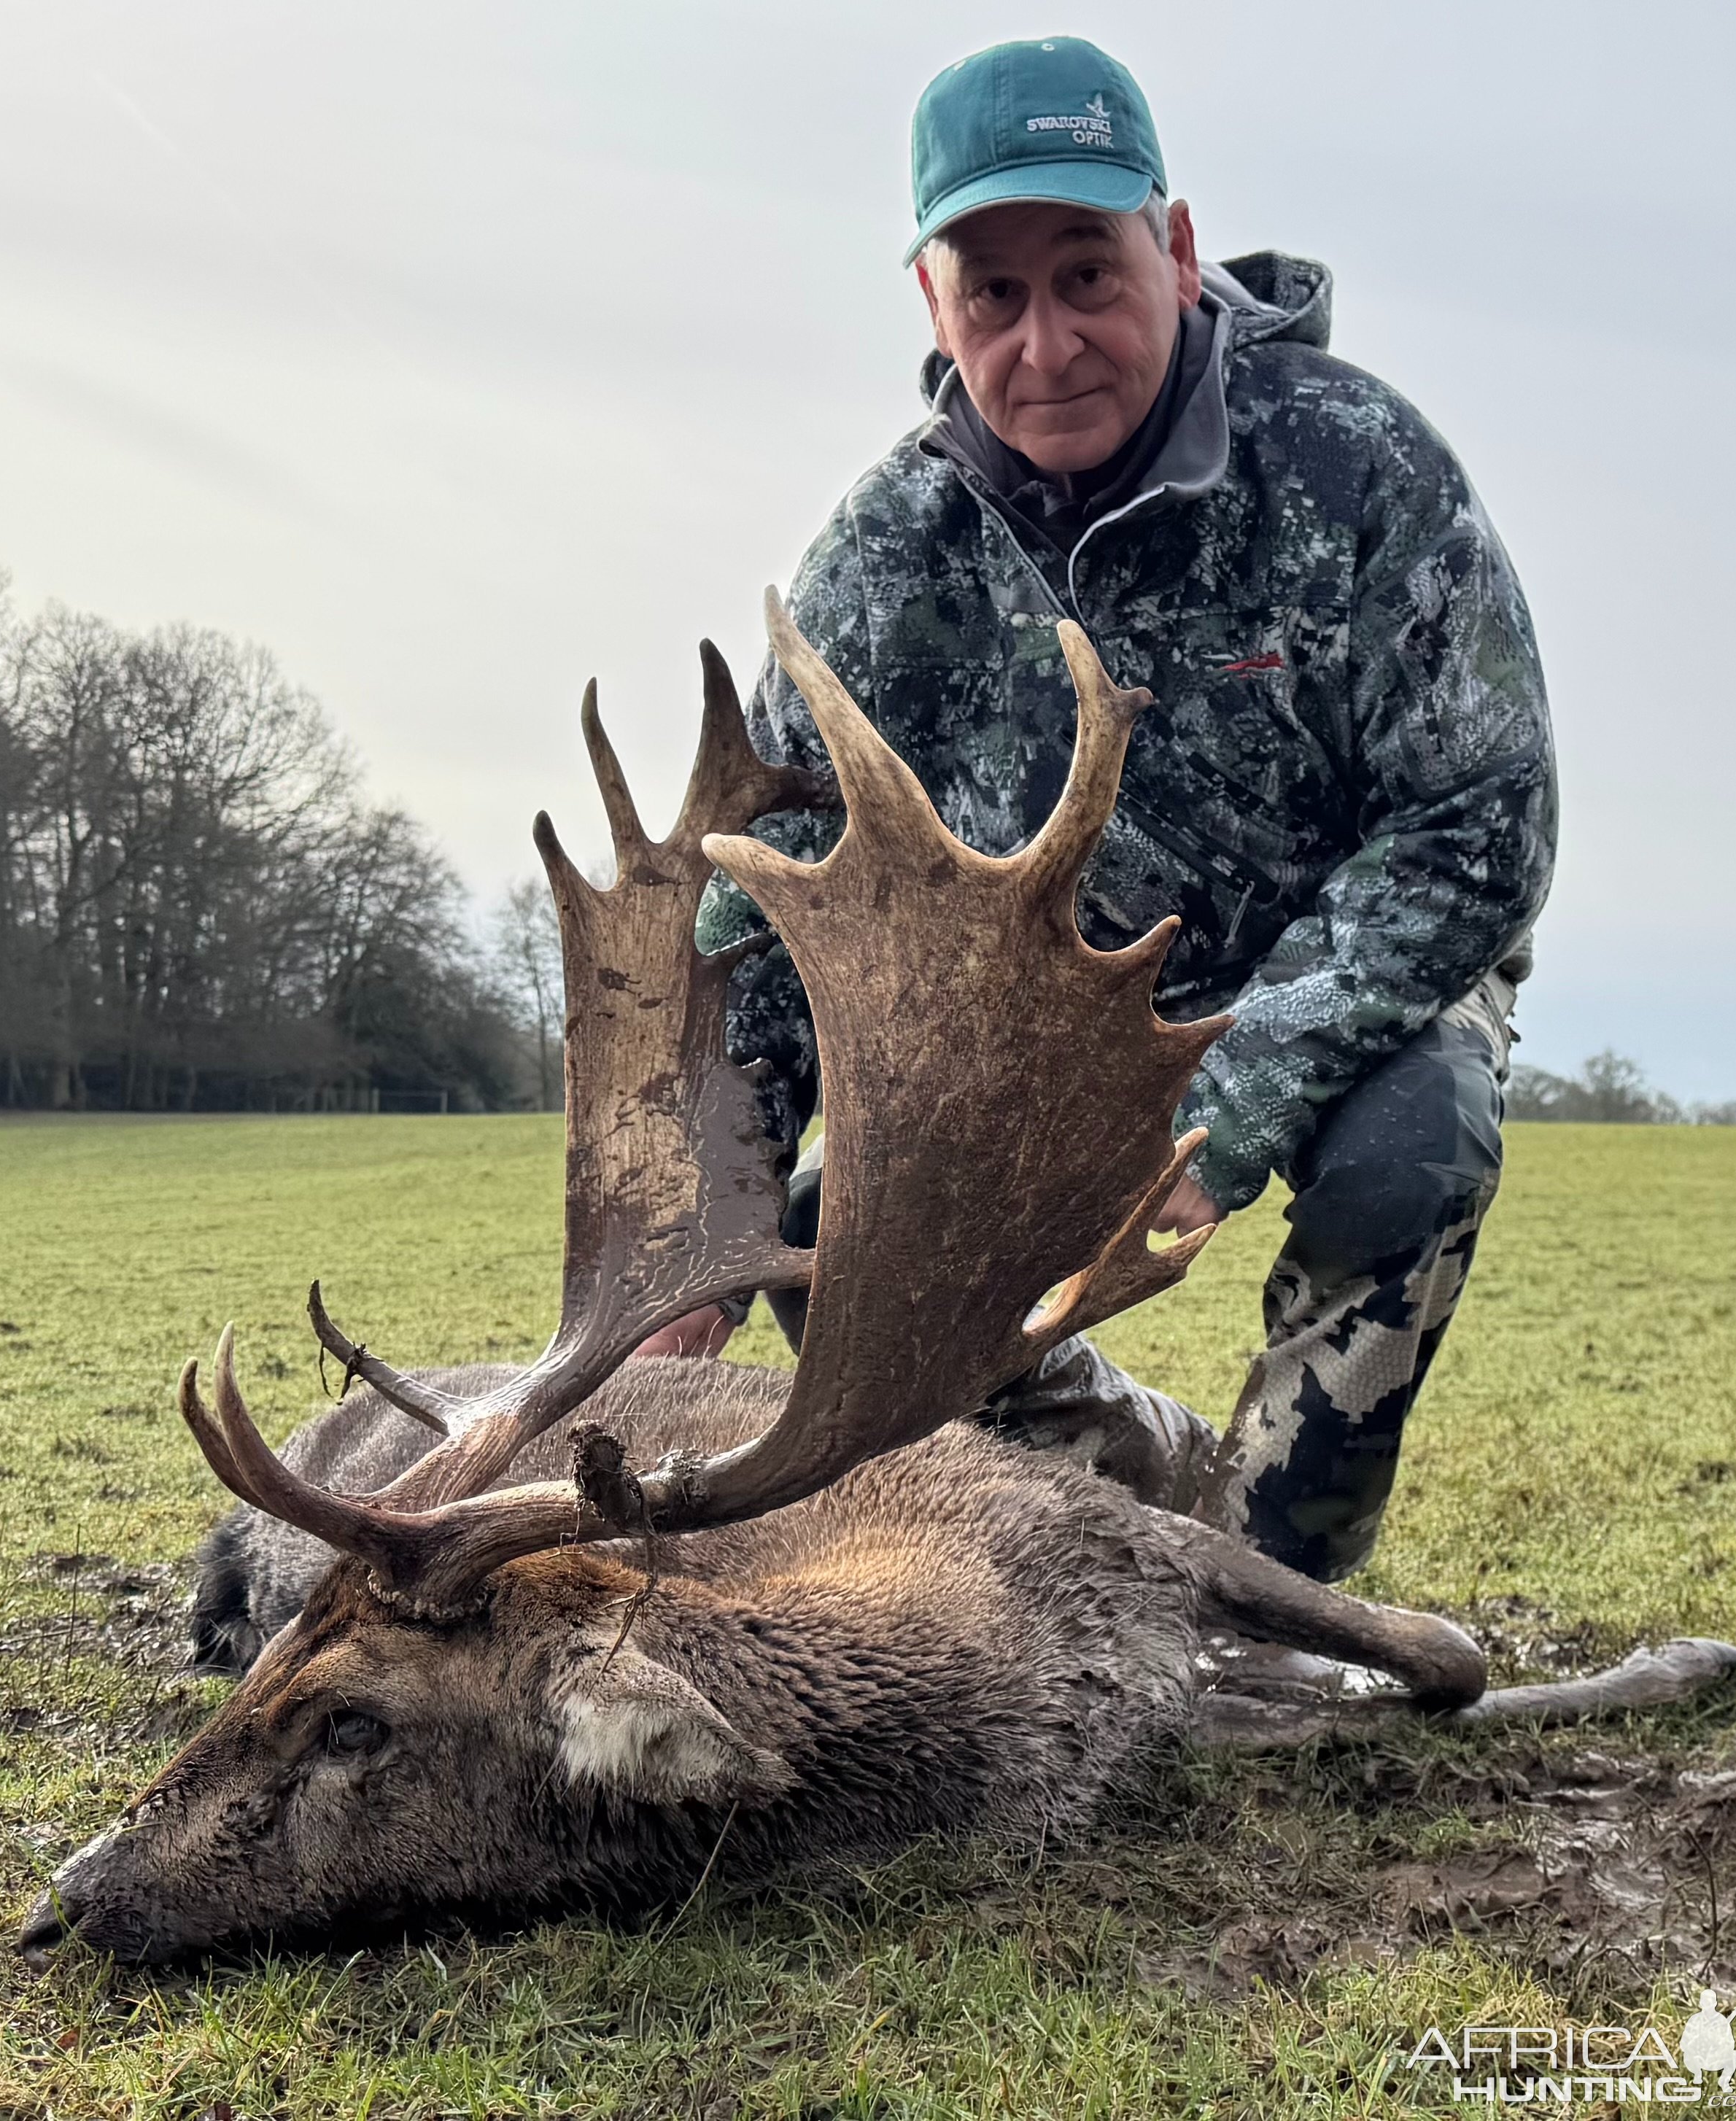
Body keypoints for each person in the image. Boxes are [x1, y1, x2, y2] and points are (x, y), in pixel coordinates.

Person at [641, 35, 1555, 1584]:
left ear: (1177, 249)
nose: (1045, 343)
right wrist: (700, 1231)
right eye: (990, 293)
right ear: (932, 303)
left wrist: (1232, 1103)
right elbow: (766, 907)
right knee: (827, 1238)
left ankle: (1278, 1583)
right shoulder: (884, 558)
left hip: (1340, 990)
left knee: (1413, 1147)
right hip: (1047, 1025)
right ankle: (1132, 1481)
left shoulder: (1360, 471)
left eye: (1086, 273)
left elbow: (1479, 822)